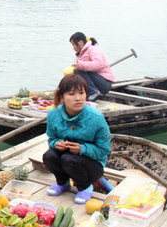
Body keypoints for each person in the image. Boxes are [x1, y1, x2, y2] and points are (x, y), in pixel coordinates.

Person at [43, 74, 111, 205]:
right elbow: (51, 139)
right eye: (71, 94)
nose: (78, 98)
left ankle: (85, 187)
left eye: (81, 93)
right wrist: (56, 144)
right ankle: (62, 183)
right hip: (66, 158)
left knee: (69, 159)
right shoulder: (53, 114)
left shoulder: (96, 118)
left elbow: (104, 149)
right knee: (49, 156)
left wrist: (82, 149)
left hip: (92, 165)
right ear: (62, 96)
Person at [69, 31, 114, 102]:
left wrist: (80, 65)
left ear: (80, 42)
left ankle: (94, 92)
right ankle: (91, 93)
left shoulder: (93, 49)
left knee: (79, 70)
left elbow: (99, 64)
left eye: (74, 44)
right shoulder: (80, 54)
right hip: (95, 84)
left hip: (104, 84)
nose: (73, 48)